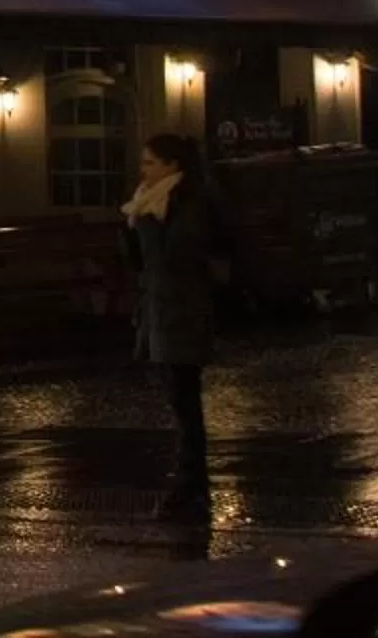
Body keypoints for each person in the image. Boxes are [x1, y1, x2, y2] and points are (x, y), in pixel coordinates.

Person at [123, 131, 221, 517]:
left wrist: (145, 226)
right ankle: (190, 481)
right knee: (179, 398)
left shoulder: (185, 203)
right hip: (162, 311)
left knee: (185, 401)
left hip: (181, 311)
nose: (142, 169)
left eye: (150, 162)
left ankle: (190, 483)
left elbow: (175, 257)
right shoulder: (151, 203)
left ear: (172, 165)